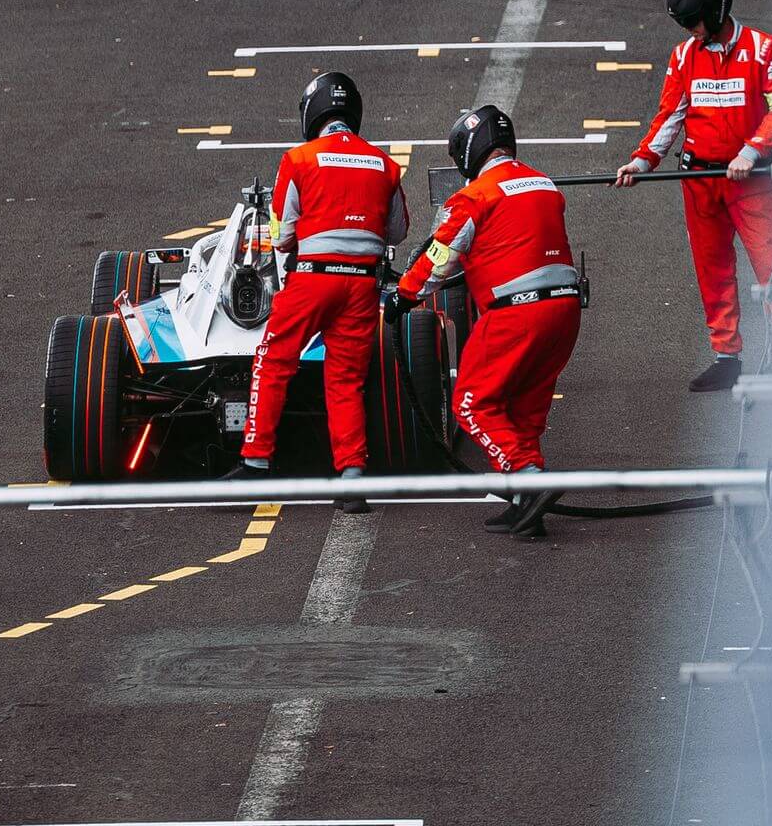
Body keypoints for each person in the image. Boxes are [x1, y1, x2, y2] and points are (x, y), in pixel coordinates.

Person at [388, 105, 583, 538]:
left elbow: (439, 259)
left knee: (472, 403)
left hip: (517, 311)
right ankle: (526, 504)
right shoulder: (544, 184)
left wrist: (403, 297)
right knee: (525, 411)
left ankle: (527, 482)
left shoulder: (474, 196)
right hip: (565, 311)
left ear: (468, 153)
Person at [614, 0, 772, 389]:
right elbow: (670, 116)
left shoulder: (765, 50)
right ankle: (726, 356)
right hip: (700, 184)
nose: (690, 32)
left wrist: (751, 152)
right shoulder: (683, 56)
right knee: (713, 271)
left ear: (715, 10)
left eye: (693, 22)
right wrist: (642, 161)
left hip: (751, 182)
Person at [227, 71, 409, 510]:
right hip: (363, 285)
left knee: (273, 359)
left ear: (311, 115)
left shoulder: (299, 159)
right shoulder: (384, 165)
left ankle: (255, 464)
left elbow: (283, 236)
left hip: (313, 279)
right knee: (346, 379)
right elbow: (398, 231)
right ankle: (351, 476)